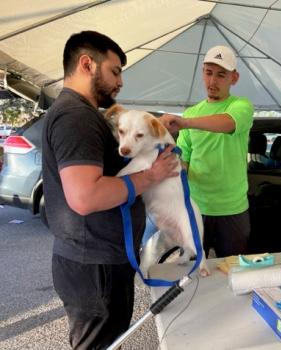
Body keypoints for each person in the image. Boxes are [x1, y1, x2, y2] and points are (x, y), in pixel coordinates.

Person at [42, 31, 179, 349]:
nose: (120, 83)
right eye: (115, 71)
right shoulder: (76, 117)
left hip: (96, 262)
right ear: (87, 64)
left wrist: (152, 129)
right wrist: (152, 176)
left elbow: (112, 163)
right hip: (95, 267)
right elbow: (85, 196)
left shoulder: (82, 114)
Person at [160, 45, 254, 257]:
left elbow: (228, 123)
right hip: (196, 208)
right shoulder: (192, 112)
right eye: (208, 73)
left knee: (231, 270)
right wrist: (171, 161)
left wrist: (185, 123)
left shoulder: (241, 106)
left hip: (233, 210)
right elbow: (185, 160)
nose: (212, 81)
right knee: (192, 271)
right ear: (202, 73)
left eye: (221, 75)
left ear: (234, 78)